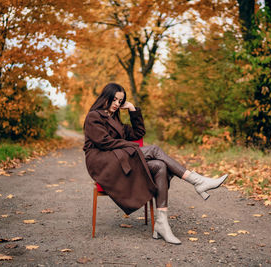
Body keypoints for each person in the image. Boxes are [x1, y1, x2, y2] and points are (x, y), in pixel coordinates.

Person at [83, 83, 228, 245]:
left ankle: (162, 223)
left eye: (121, 100)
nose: (117, 103)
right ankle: (198, 181)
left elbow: (138, 132)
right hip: (103, 162)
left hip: (118, 157)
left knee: (160, 166)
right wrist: (133, 147)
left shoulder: (115, 120)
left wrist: (132, 109)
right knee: (154, 150)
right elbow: (104, 142)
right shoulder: (94, 116)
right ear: (106, 97)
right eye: (114, 99)